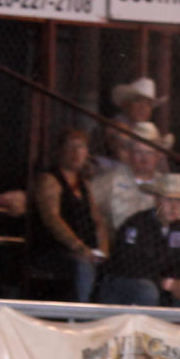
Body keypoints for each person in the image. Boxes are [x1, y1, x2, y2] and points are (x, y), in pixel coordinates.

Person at [100, 176, 180, 308]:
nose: (174, 206)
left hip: (163, 287)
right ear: (156, 200)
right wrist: (167, 283)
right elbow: (128, 266)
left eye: (179, 201)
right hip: (124, 285)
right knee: (147, 290)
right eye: (169, 200)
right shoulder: (136, 224)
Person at [27, 130, 109, 303]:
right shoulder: (49, 180)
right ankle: (80, 315)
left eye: (81, 147)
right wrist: (79, 248)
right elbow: (52, 218)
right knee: (82, 266)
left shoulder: (85, 184)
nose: (76, 153)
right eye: (71, 147)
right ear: (60, 151)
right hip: (56, 250)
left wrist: (102, 250)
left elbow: (98, 222)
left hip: (86, 250)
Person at [90, 126, 167, 233]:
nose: (144, 158)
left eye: (149, 152)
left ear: (158, 156)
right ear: (129, 154)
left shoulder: (167, 185)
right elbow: (88, 207)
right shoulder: (110, 181)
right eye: (138, 152)